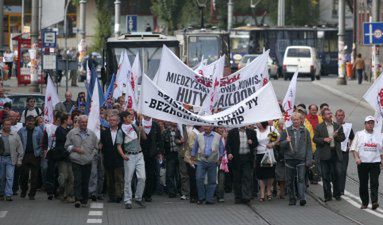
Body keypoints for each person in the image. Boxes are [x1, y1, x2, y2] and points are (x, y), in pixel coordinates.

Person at [65, 115, 98, 208]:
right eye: (82, 122)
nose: (84, 124)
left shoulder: (92, 134)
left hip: (87, 161)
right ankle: (78, 199)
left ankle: (85, 199)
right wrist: (75, 149)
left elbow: (96, 147)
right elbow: (67, 146)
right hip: (76, 160)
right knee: (77, 180)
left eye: (85, 122)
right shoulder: (72, 133)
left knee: (85, 180)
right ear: (78, 123)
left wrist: (92, 155)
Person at [350, 116, 383, 210]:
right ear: (365, 124)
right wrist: (356, 158)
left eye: (372, 123)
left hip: (375, 162)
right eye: (368, 123)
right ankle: (364, 202)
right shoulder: (359, 134)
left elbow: (381, 150)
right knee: (363, 183)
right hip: (363, 163)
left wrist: (382, 160)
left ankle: (374, 201)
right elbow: (354, 148)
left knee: (374, 182)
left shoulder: (379, 135)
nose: (370, 125)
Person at [280, 113, 313, 206]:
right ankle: (292, 198)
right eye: (294, 120)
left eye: (297, 119)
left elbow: (309, 147)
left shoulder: (305, 131)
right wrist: (286, 141)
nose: (296, 121)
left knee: (301, 179)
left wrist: (309, 159)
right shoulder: (286, 131)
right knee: (289, 180)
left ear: (300, 120)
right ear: (291, 120)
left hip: (301, 159)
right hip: (289, 159)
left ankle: (302, 197)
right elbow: (280, 146)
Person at [116, 111, 147, 209]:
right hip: (129, 156)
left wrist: (141, 130)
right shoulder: (121, 130)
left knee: (142, 177)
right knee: (128, 179)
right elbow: (118, 145)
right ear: (124, 118)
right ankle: (128, 200)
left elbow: (144, 138)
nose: (131, 118)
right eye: (129, 117)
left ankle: (138, 198)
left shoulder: (134, 126)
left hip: (139, 154)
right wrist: (122, 155)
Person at [313, 109, 345, 202]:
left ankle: (337, 194)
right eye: (327, 114)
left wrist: (336, 136)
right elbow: (315, 139)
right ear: (323, 116)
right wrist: (324, 140)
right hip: (324, 154)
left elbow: (342, 138)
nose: (330, 115)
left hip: (335, 153)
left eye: (330, 113)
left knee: (336, 174)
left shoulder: (337, 126)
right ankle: (328, 195)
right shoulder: (319, 127)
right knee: (326, 176)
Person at [191, 126, 225, 204]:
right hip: (201, 160)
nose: (205, 128)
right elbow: (195, 147)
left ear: (211, 127)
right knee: (199, 178)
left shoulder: (218, 136)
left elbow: (221, 148)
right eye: (204, 126)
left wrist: (220, 157)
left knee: (212, 181)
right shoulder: (199, 135)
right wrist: (192, 156)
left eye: (207, 126)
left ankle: (209, 199)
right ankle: (201, 198)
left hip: (213, 161)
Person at [226, 126, 258, 204]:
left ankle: (246, 197)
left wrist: (252, 143)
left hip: (247, 158)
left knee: (247, 177)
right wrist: (229, 153)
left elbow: (256, 143)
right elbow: (228, 144)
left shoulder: (251, 132)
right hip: (236, 158)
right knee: (237, 178)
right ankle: (238, 197)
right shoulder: (232, 132)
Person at [17, 115, 43, 200]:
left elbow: (41, 143)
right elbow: (18, 142)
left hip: (35, 155)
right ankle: (24, 190)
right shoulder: (21, 131)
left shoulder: (38, 130)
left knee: (34, 176)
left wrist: (39, 152)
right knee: (24, 174)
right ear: (26, 122)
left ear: (34, 122)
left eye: (32, 122)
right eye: (28, 122)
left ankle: (32, 194)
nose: (30, 123)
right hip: (25, 154)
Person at [100, 113, 124, 203]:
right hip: (108, 158)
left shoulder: (121, 132)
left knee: (119, 178)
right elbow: (101, 145)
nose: (112, 122)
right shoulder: (104, 132)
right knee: (110, 179)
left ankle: (119, 195)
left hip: (118, 158)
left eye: (114, 120)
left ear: (117, 122)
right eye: (110, 120)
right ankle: (111, 196)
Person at [255, 121, 279, 202]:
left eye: (258, 123)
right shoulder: (256, 130)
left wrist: (272, 144)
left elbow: (278, 137)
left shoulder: (271, 129)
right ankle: (262, 193)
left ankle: (268, 191)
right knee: (260, 174)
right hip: (259, 153)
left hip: (269, 153)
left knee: (270, 174)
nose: (257, 124)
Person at [0, 119, 23, 201]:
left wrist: (19, 160)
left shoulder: (15, 135)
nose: (7, 126)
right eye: (6, 124)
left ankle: (8, 194)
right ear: (3, 125)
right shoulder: (0, 134)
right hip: (1, 158)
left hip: (11, 158)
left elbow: (20, 148)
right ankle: (1, 193)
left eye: (9, 124)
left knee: (10, 177)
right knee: (1, 177)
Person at [141, 115, 162, 202]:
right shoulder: (138, 123)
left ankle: (148, 194)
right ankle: (139, 193)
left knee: (150, 174)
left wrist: (159, 152)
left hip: (152, 154)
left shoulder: (155, 125)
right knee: (140, 175)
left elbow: (159, 139)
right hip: (140, 153)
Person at [335, 109, 354, 195]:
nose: (340, 117)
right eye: (338, 115)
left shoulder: (348, 126)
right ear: (336, 116)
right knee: (336, 171)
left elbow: (352, 138)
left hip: (344, 152)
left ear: (344, 116)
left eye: (342, 115)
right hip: (334, 151)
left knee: (342, 171)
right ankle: (335, 187)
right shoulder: (333, 125)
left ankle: (341, 189)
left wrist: (350, 146)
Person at [55, 113, 74, 203]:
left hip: (69, 157)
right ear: (65, 120)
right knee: (64, 177)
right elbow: (64, 142)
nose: (71, 120)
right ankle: (61, 192)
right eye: (70, 119)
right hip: (62, 157)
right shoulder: (59, 130)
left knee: (71, 177)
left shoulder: (68, 130)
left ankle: (68, 195)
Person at [162, 122, 183, 198]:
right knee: (170, 174)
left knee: (180, 173)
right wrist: (163, 154)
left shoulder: (180, 130)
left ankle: (180, 190)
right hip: (170, 154)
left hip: (180, 154)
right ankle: (171, 192)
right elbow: (163, 144)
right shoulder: (165, 132)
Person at [184, 125, 203, 203]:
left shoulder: (199, 133)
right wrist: (203, 149)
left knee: (197, 178)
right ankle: (193, 196)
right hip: (191, 160)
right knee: (193, 179)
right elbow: (192, 146)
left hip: (197, 160)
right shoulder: (193, 134)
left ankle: (197, 195)